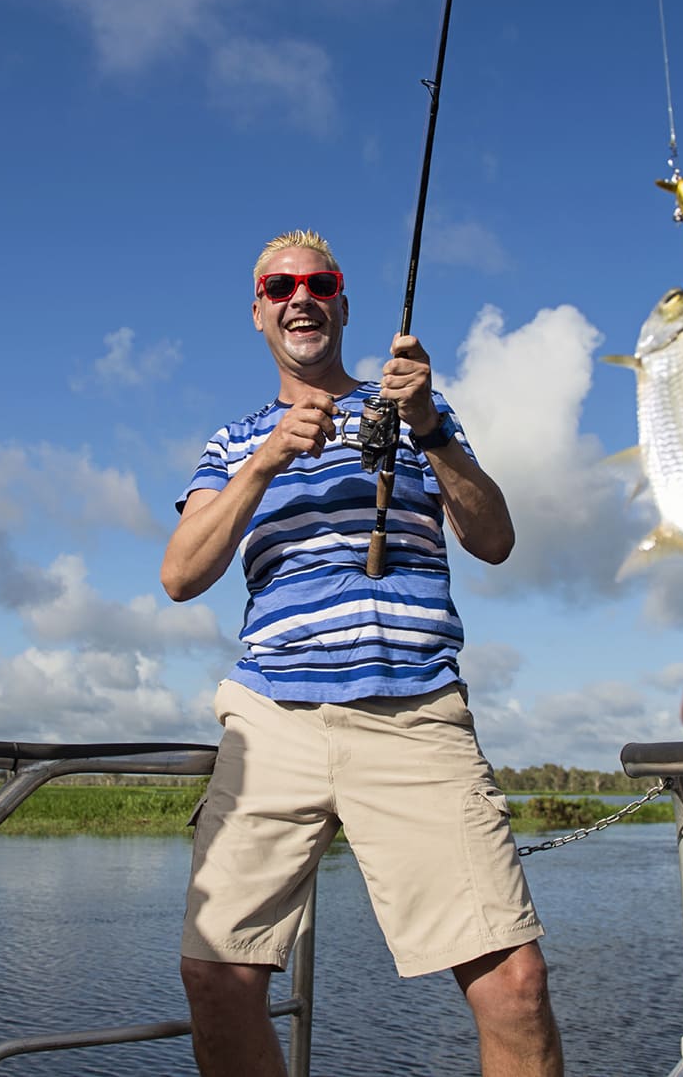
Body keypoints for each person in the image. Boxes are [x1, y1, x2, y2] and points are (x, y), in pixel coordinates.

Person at [161, 228, 563, 1076]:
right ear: (259, 315)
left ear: (342, 303)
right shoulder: (233, 442)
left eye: (319, 282)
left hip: (415, 710)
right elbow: (180, 573)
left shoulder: (423, 418)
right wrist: (268, 460)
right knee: (216, 977)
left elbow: (494, 539)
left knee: (514, 982)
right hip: (271, 718)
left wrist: (428, 427)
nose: (299, 296)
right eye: (279, 288)